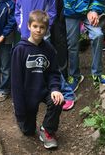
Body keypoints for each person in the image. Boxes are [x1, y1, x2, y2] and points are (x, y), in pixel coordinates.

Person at [11, 10, 64, 149]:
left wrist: (55, 89)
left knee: (58, 100)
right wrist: (19, 108)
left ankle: (47, 130)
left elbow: (54, 73)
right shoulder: (20, 50)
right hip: (27, 93)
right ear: (29, 26)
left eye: (42, 27)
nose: (38, 30)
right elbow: (16, 82)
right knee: (28, 131)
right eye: (35, 26)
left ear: (46, 29)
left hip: (44, 89)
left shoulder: (49, 49)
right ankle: (24, 118)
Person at [44, 0, 76, 112]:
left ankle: (63, 73)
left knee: (61, 42)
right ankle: (50, 75)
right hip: (46, 13)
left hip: (61, 10)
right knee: (47, 44)